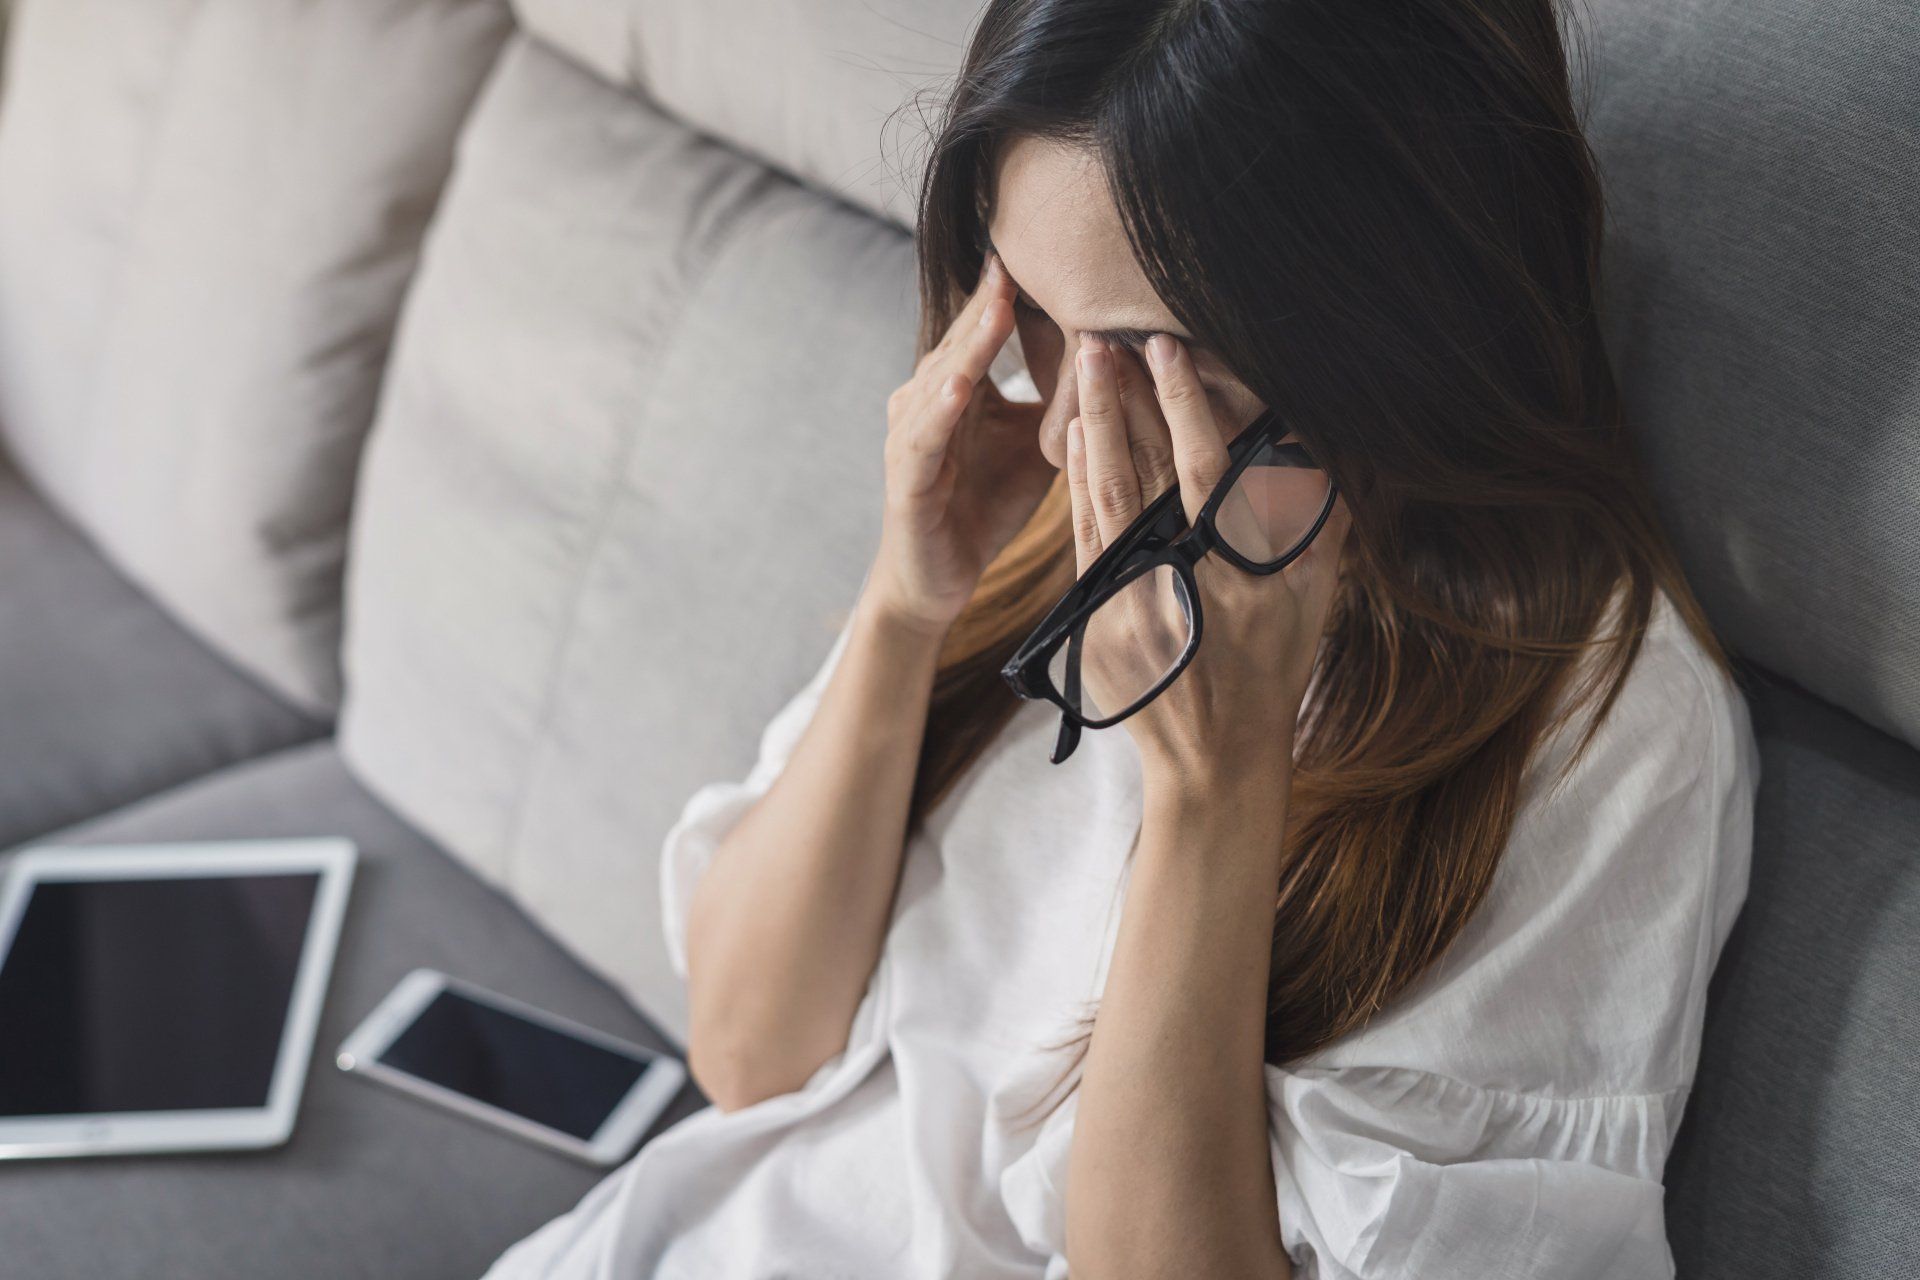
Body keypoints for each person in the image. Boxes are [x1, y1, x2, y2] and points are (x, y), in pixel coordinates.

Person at [483, 0, 1760, 1275]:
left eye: (1158, 363)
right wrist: (906, 605)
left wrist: (1211, 787)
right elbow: (747, 1051)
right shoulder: (1063, 507)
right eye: (1032, 312)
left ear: (1389, 329)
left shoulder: (1601, 726)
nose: (1059, 432)